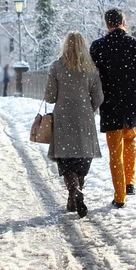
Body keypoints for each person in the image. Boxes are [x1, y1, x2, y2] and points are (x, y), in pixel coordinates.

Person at [90, 8, 136, 209]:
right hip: (132, 103)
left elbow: (93, 80)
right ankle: (130, 182)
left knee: (115, 150)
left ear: (107, 24)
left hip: (110, 104)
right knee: (130, 140)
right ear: (124, 22)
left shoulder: (98, 47)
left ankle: (119, 196)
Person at [44, 31, 104, 218]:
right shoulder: (91, 69)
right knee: (82, 157)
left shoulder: (56, 67)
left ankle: (73, 191)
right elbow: (99, 97)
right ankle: (77, 191)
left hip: (63, 117)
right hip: (84, 117)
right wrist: (88, 108)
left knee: (66, 158)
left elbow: (50, 97)